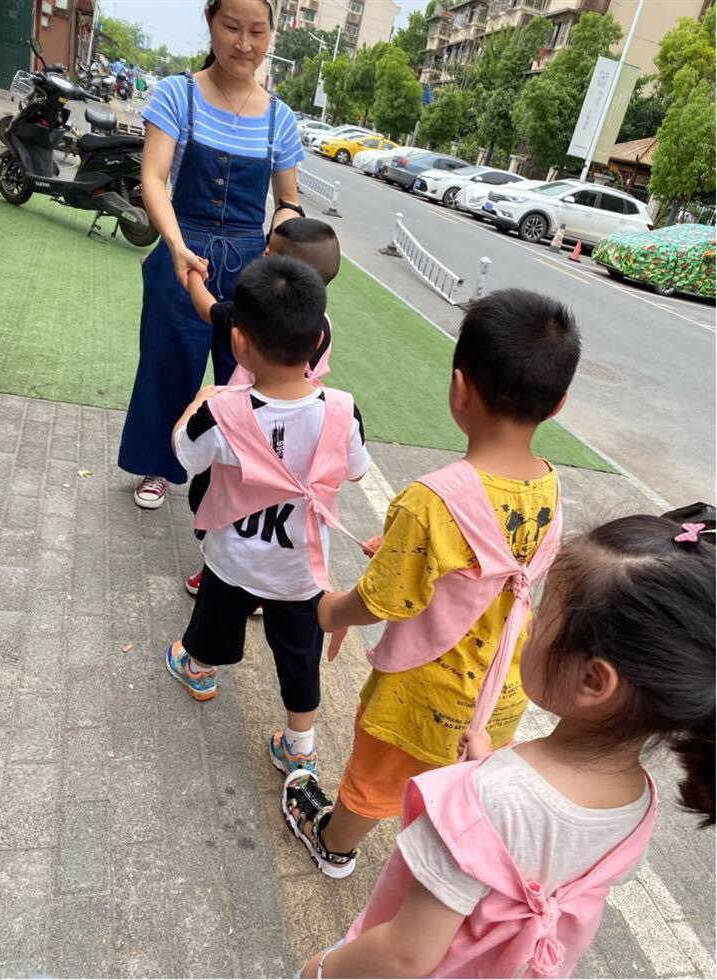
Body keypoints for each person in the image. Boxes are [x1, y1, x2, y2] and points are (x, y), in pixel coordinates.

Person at [298, 514, 715, 978]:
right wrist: (492, 769)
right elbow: (538, 841)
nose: (527, 628)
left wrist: (321, 970)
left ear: (593, 681)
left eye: (543, 618)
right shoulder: (638, 800)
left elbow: (404, 955)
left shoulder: (485, 801)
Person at [283, 289, 582, 878]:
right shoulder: (549, 485)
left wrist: (330, 611)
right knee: (458, 776)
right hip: (499, 691)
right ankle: (436, 851)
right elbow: (487, 569)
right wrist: (408, 551)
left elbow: (381, 601)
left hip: (422, 693)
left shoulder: (432, 500)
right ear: (558, 404)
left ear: (459, 388)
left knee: (376, 778)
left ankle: (334, 844)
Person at [167, 255, 368, 778]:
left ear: (239, 341)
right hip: (301, 569)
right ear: (318, 340)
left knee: (214, 620)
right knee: (299, 654)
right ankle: (300, 745)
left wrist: (197, 402)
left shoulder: (221, 411)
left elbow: (185, 456)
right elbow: (357, 472)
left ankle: (200, 670)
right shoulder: (344, 410)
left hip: (234, 557)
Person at [117, 0, 305, 510]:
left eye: (257, 32)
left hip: (250, 266)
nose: (244, 44)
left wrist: (282, 237)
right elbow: (153, 178)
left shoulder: (280, 119)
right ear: (210, 21)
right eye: (232, 27)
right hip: (181, 248)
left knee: (247, 378)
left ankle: (234, 479)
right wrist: (177, 246)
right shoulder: (177, 94)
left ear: (271, 34)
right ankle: (159, 466)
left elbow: (287, 201)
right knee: (168, 362)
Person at [184, 217, 341, 597]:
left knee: (217, 495)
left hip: (244, 426)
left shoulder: (254, 318)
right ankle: (263, 581)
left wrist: (192, 275)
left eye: (269, 253)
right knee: (275, 504)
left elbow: (209, 309)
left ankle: (220, 572)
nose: (262, 254)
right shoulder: (320, 325)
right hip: (297, 425)